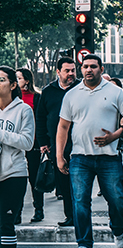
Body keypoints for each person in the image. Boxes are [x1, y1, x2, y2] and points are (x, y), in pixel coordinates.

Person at [56, 54, 123, 248]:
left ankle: (118, 229)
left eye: (93, 66)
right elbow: (63, 127)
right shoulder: (72, 95)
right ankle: (84, 245)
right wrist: (59, 156)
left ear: (101, 69)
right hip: (80, 158)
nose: (89, 70)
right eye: (85, 66)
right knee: (80, 202)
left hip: (109, 157)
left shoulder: (115, 92)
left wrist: (116, 135)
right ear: (81, 69)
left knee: (117, 199)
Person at [0, 66, 34, 248]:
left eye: (1, 79)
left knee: (5, 222)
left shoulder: (23, 110)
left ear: (13, 85)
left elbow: (28, 142)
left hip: (14, 173)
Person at [36, 57, 80, 227]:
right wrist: (43, 142)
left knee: (79, 183)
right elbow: (40, 118)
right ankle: (70, 215)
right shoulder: (48, 91)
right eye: (67, 70)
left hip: (79, 143)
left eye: (73, 70)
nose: (71, 74)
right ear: (58, 72)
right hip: (57, 145)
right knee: (63, 182)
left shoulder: (81, 89)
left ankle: (81, 216)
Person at [15, 68, 42, 224]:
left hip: (34, 143)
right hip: (16, 143)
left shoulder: (37, 97)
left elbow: (39, 120)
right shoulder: (12, 99)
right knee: (18, 179)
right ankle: (17, 212)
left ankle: (39, 209)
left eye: (19, 78)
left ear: (27, 80)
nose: (17, 81)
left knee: (34, 178)